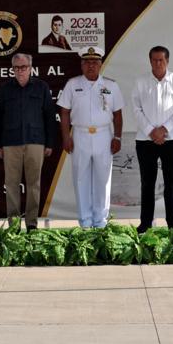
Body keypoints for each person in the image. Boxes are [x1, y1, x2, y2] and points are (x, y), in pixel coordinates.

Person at [0, 53, 59, 231]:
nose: (20, 71)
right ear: (12, 69)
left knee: (34, 183)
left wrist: (50, 143)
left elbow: (50, 117)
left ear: (30, 67)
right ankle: (13, 224)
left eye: (24, 67)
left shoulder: (41, 87)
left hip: (36, 141)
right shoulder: (5, 89)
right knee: (11, 184)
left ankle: (32, 223)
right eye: (16, 68)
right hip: (10, 143)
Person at [57, 47, 124, 228]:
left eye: (94, 62)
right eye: (87, 62)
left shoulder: (111, 85)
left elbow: (118, 114)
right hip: (80, 135)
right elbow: (64, 112)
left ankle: (101, 222)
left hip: (104, 135)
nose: (91, 66)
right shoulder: (72, 84)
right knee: (81, 179)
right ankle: (85, 223)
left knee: (103, 180)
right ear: (81, 64)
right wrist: (66, 136)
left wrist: (117, 137)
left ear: (101, 64)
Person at [130, 45, 173, 232]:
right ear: (150, 61)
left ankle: (172, 224)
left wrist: (164, 130)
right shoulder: (140, 81)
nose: (157, 63)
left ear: (167, 61)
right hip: (145, 140)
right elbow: (136, 109)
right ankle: (145, 224)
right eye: (154, 60)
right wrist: (151, 131)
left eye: (161, 60)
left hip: (171, 139)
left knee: (171, 182)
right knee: (147, 182)